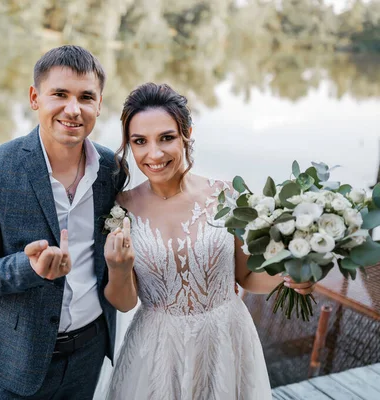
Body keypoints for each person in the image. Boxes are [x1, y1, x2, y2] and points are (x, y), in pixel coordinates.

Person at [101, 83, 315, 399]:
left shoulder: (227, 196)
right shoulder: (122, 208)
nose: (154, 153)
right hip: (157, 349)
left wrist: (289, 276)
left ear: (187, 132)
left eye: (166, 138)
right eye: (139, 142)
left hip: (226, 340)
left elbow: (245, 276)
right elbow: (125, 302)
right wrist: (118, 269)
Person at [0, 45, 125, 399]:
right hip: (17, 362)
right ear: (35, 97)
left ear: (99, 104)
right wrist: (28, 268)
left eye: (86, 97)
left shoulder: (112, 169)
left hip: (90, 353)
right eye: (59, 94)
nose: (73, 109)